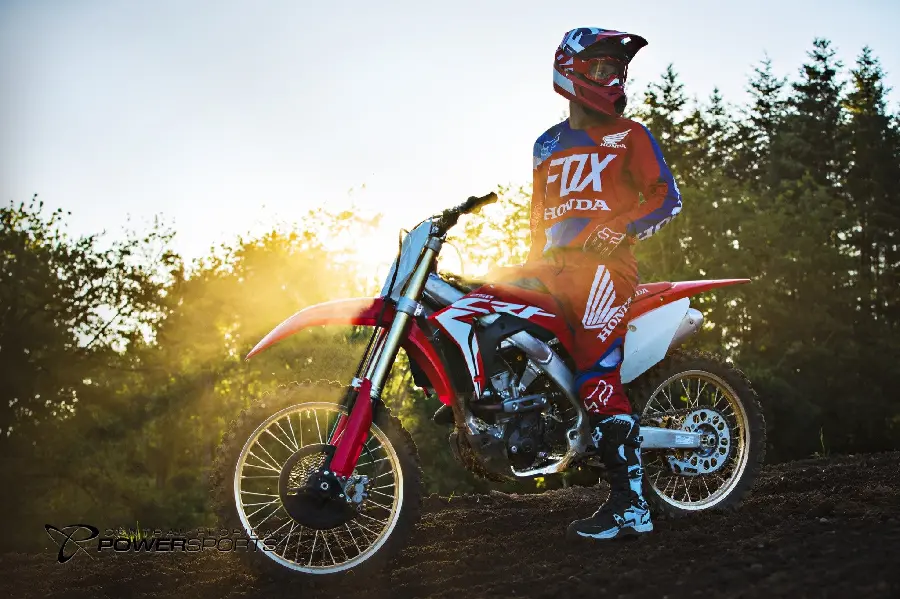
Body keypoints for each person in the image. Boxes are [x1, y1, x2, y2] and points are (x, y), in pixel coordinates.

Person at [515, 27, 683, 540]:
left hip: (606, 271)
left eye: (619, 70)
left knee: (597, 375)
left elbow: (667, 197)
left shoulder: (631, 135)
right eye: (603, 68)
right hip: (551, 270)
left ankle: (633, 507)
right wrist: (526, 265)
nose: (615, 79)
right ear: (572, 71)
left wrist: (622, 227)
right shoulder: (546, 144)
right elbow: (538, 217)